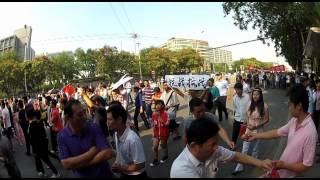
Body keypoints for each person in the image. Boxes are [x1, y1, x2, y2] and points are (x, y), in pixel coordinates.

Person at [245, 84, 318, 178]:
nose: (289, 107)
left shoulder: (310, 132)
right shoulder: (294, 121)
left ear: (299, 105)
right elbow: (276, 132)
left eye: (290, 104)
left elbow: (306, 165)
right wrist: (255, 135)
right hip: (280, 173)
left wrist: (284, 165)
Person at [170, 118, 273, 178]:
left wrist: (261, 163)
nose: (217, 148)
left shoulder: (213, 150)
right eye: (212, 144)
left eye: (217, 143)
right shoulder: (181, 170)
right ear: (193, 145)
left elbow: (236, 156)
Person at [57, 99, 114, 178]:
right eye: (80, 115)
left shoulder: (93, 127)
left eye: (84, 112)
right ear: (68, 118)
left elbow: (108, 153)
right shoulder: (62, 136)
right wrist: (90, 153)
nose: (85, 116)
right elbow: (66, 164)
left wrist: (79, 164)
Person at [233, 87, 269, 174]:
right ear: (251, 95)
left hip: (259, 130)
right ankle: (240, 166)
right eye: (254, 94)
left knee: (255, 149)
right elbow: (247, 116)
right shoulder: (249, 104)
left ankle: (255, 162)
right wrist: (247, 125)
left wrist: (256, 127)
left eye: (257, 94)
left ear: (260, 95)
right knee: (244, 148)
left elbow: (267, 119)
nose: (255, 96)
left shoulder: (264, 105)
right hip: (248, 130)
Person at [106, 103, 147, 178]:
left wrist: (121, 168)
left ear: (119, 120)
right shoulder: (116, 134)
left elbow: (140, 165)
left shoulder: (132, 139)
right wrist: (117, 162)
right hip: (124, 173)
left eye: (109, 119)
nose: (107, 122)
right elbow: (121, 155)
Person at [26, 105, 60, 178]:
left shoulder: (32, 126)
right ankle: (42, 171)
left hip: (38, 146)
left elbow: (32, 139)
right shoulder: (39, 122)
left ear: (29, 117)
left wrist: (34, 147)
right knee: (42, 159)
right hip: (42, 144)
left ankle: (55, 173)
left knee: (46, 160)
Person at [150, 100, 170, 167]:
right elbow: (153, 123)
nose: (158, 106)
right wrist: (152, 132)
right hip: (156, 133)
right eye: (157, 104)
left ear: (163, 105)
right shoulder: (153, 114)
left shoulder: (166, 113)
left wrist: (159, 116)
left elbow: (166, 124)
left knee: (163, 145)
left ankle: (166, 155)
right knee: (155, 147)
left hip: (164, 132)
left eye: (160, 104)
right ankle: (155, 159)